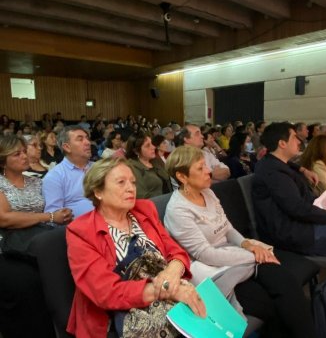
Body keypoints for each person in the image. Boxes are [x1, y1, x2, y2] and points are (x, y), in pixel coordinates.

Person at [164, 146, 315, 338]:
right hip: (216, 270)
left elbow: (227, 227)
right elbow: (206, 254)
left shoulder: (207, 192)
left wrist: (248, 244)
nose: (209, 171)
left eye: (206, 166)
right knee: (270, 305)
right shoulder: (178, 210)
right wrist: (252, 254)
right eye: (201, 168)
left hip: (236, 255)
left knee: (287, 284)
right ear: (182, 177)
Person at [66, 157, 206, 338]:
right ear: (98, 191)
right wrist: (166, 289)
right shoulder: (81, 232)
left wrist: (171, 273)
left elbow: (176, 252)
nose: (131, 188)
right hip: (119, 314)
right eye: (121, 182)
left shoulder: (144, 210)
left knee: (207, 314)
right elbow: (106, 292)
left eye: (133, 182)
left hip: (168, 295)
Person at [0, 135, 72, 338]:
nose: (24, 156)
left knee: (64, 272)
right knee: (28, 282)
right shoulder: (0, 183)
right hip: (8, 246)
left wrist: (63, 213)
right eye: (17, 154)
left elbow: (53, 207)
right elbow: (4, 219)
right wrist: (49, 216)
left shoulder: (35, 181)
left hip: (39, 240)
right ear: (3, 159)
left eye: (24, 151)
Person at [253, 122, 326, 259]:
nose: (299, 141)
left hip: (301, 223)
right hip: (294, 232)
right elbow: (297, 208)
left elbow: (287, 165)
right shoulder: (274, 173)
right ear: (282, 143)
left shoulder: (274, 162)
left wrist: (302, 170)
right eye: (294, 137)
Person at [43, 125, 94, 218]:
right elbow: (54, 215)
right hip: (80, 227)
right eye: (80, 139)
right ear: (67, 147)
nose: (88, 143)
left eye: (87, 138)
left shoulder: (99, 168)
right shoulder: (55, 176)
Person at [126, 132, 172, 199]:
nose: (153, 147)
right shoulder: (132, 168)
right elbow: (142, 196)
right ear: (136, 151)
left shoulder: (155, 161)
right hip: (155, 205)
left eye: (152, 144)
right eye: (148, 145)